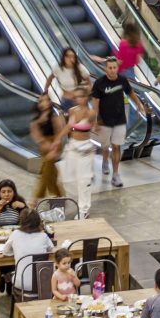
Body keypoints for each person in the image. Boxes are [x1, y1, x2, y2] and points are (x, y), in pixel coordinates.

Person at [92, 56, 133, 188]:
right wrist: (95, 120)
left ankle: (115, 175)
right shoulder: (99, 83)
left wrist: (139, 105)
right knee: (105, 146)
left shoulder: (122, 80)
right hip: (104, 121)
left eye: (114, 67)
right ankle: (105, 160)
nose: (112, 70)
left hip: (119, 119)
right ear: (105, 69)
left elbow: (131, 92)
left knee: (116, 146)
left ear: (117, 68)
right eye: (110, 68)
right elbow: (95, 103)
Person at [58, 84, 96, 218]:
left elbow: (96, 128)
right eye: (77, 97)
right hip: (72, 146)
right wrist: (57, 139)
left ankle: (84, 209)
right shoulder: (72, 110)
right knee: (68, 178)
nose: (78, 99)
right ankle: (73, 202)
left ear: (86, 98)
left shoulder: (91, 113)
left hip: (85, 147)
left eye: (81, 96)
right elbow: (68, 127)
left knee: (83, 180)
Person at [0, 208, 54, 293]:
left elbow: (6, 252)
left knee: (9, 272)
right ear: (38, 221)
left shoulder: (15, 234)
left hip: (21, 282)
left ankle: (5, 279)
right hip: (42, 282)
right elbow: (51, 250)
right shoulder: (43, 236)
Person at [30, 95, 66, 201]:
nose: (44, 103)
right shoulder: (37, 118)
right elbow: (35, 132)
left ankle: (35, 198)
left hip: (54, 145)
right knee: (51, 173)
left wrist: (54, 148)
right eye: (42, 101)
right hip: (43, 147)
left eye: (46, 101)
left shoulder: (53, 116)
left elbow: (59, 133)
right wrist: (42, 142)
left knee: (44, 171)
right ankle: (59, 197)